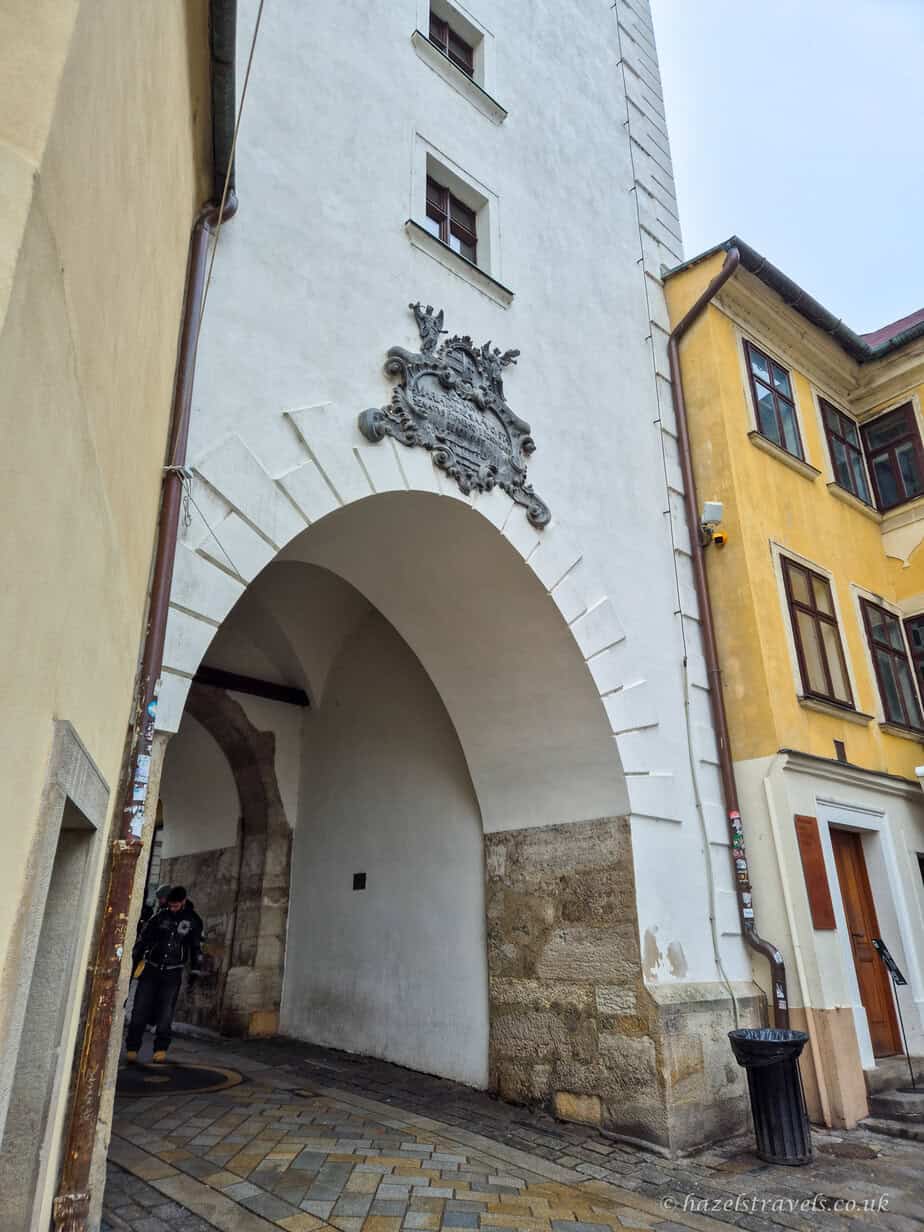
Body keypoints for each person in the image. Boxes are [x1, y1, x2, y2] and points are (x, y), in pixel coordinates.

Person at [125, 885, 203, 1063]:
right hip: (152, 968)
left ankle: (160, 1049)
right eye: (170, 905)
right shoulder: (159, 917)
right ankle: (132, 1047)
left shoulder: (193, 920)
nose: (172, 908)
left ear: (183, 902)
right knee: (140, 1009)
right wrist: (134, 962)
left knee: (166, 1012)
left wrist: (195, 971)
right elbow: (143, 941)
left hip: (173, 971)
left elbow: (196, 947)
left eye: (176, 905)